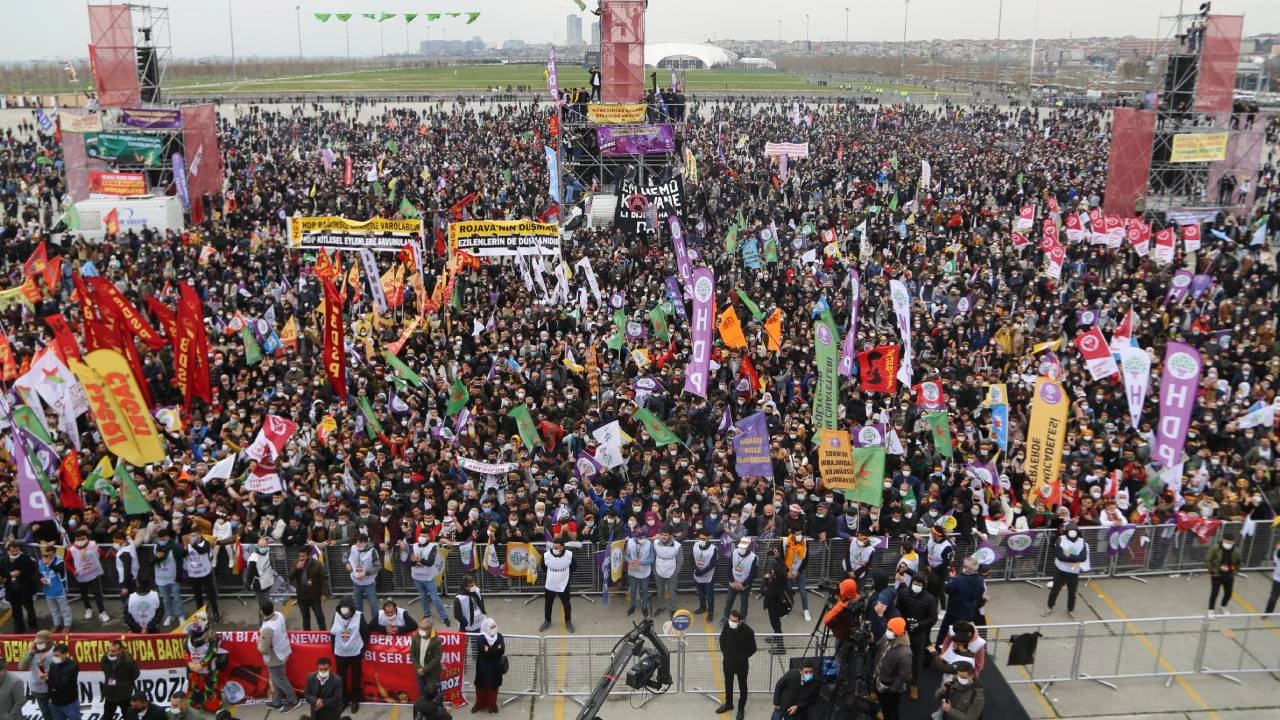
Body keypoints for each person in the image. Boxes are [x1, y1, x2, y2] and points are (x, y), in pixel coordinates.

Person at [895, 572, 938, 698]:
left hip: (919, 633)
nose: (917, 586)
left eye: (920, 584)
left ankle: (914, 685)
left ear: (924, 585)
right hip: (903, 631)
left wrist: (919, 624)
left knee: (917, 659)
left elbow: (933, 618)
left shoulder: (930, 599)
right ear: (911, 583)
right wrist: (902, 621)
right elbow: (897, 609)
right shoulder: (903, 593)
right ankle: (899, 679)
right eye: (915, 583)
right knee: (900, 655)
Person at [258, 601, 301, 711]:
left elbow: (264, 650)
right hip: (283, 650)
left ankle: (294, 701)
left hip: (275, 657)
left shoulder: (268, 628)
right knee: (276, 679)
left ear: (262, 612)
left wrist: (258, 643)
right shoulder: (279, 615)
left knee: (280, 680)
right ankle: (276, 701)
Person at [1042, 523, 1089, 619]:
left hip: (1074, 572)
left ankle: (1070, 610)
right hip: (1061, 571)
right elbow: (1060, 556)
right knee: (1055, 590)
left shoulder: (1082, 542)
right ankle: (1049, 607)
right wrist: (1075, 558)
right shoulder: (1061, 539)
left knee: (1072, 593)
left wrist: (1069, 555)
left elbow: (1083, 558)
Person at [715, 608, 756, 720]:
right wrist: (725, 653)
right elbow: (722, 639)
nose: (731, 622)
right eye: (730, 619)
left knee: (743, 686)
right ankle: (729, 704)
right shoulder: (727, 626)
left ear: (739, 621)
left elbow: (753, 649)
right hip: (728, 663)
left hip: (741, 665)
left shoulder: (748, 631)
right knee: (728, 683)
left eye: (734, 621)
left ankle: (741, 708)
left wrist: (741, 657)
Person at [401, 532, 449, 627]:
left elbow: (430, 562)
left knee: (435, 598)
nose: (422, 537)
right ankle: (427, 614)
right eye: (421, 535)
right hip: (417, 577)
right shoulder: (413, 546)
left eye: (424, 536)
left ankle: (444, 617)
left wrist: (418, 560)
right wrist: (414, 561)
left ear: (428, 538)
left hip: (428, 578)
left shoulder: (432, 547)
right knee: (422, 596)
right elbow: (409, 562)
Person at [329, 598, 366, 713]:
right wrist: (334, 648)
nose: (344, 612)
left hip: (355, 653)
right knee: (341, 679)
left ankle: (355, 701)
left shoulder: (359, 616)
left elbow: (365, 633)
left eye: (347, 609)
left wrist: (363, 649)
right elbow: (332, 633)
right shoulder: (336, 616)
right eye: (342, 609)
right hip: (340, 653)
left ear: (352, 609)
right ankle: (344, 700)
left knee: (355, 678)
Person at [66, 530, 111, 623]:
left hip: (93, 573)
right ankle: (88, 608)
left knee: (97, 593)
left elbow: (101, 552)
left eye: (82, 539)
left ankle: (102, 612)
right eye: (77, 539)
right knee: (84, 593)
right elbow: (67, 561)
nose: (80, 541)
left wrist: (110, 555)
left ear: (87, 538)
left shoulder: (92, 545)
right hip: (81, 575)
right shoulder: (72, 549)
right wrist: (73, 571)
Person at [937, 557, 984, 645]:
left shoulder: (959, 580)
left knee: (944, 633)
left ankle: (940, 648)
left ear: (969, 569)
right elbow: (980, 594)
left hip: (953, 613)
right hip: (968, 614)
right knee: (962, 635)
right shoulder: (980, 580)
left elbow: (948, 589)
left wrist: (951, 578)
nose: (962, 567)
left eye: (964, 566)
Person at [872, 617, 912, 720]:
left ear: (898, 634)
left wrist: (893, 689)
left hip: (889, 688)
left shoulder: (905, 653)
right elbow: (877, 646)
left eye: (890, 630)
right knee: (882, 703)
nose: (887, 631)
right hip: (878, 678)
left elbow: (904, 675)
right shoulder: (886, 637)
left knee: (891, 711)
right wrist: (872, 641)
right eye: (888, 628)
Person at [540, 534, 576, 632]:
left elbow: (574, 567)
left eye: (557, 548)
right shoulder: (546, 555)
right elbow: (543, 568)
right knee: (548, 603)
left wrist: (564, 575)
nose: (555, 549)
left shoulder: (569, 555)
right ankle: (547, 621)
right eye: (554, 547)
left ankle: (568, 621)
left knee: (566, 604)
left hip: (564, 584)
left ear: (562, 547)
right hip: (550, 584)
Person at [1, 541, 39, 633]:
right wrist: (3, 578)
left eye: (17, 551)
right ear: (8, 551)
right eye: (13, 551)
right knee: (16, 610)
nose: (15, 553)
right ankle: (19, 627)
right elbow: (2, 573)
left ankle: (33, 626)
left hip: (25, 589)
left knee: (29, 608)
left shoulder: (25, 558)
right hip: (12, 589)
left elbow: (32, 571)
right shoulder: (3, 561)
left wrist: (20, 573)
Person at [182, 533, 220, 622]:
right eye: (191, 535)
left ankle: (215, 612)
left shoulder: (205, 543)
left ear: (199, 535)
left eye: (195, 535)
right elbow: (183, 555)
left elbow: (202, 551)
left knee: (211, 595)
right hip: (193, 574)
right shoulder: (189, 544)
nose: (193, 537)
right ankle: (200, 614)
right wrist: (185, 547)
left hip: (205, 573)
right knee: (197, 595)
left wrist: (192, 544)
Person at [100, 639, 140, 720]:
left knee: (129, 716)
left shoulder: (129, 661)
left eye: (113, 651)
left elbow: (135, 674)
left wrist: (123, 682)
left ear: (121, 650)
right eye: (109, 650)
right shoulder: (105, 659)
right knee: (107, 716)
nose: (110, 653)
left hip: (124, 695)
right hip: (110, 694)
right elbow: (105, 670)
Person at [760, 556, 792, 653]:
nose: (771, 572)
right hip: (774, 605)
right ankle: (776, 638)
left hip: (775, 607)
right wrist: (777, 557)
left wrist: (765, 580)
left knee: (776, 625)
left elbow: (764, 592)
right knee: (775, 624)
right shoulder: (782, 577)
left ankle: (780, 647)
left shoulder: (776, 584)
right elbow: (781, 564)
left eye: (773, 572)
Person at [472, 618, 505, 714]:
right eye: (491, 627)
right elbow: (483, 652)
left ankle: (493, 705)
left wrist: (489, 650)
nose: (494, 629)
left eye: (494, 626)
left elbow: (502, 651)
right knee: (480, 686)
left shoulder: (499, 636)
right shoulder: (481, 638)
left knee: (494, 686)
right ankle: (479, 704)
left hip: (495, 667)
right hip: (483, 667)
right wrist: (496, 649)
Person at [38, 544, 74, 633]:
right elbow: (39, 573)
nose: (47, 556)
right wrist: (41, 579)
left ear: (54, 553)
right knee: (53, 609)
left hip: (59, 589)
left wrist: (49, 563)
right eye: (46, 554)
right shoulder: (41, 562)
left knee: (64, 609)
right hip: (48, 590)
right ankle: (56, 624)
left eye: (49, 554)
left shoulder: (59, 561)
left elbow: (59, 570)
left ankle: (67, 624)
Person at [152, 528, 184, 626]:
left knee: (177, 597)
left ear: (168, 537)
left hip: (173, 577)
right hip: (161, 578)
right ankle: (169, 615)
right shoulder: (156, 547)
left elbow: (180, 560)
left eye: (163, 539)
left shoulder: (175, 547)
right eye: (160, 539)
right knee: (166, 599)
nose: (161, 541)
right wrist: (157, 558)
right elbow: (151, 562)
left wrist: (179, 576)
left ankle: (180, 615)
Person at [20, 631, 55, 720]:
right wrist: (31, 654)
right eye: (37, 643)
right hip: (38, 690)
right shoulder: (32, 652)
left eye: (41, 643)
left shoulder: (55, 651)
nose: (38, 645)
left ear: (48, 642)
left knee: (56, 713)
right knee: (46, 713)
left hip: (52, 690)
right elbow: (21, 667)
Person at [291, 551, 329, 631]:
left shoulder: (317, 564)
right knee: (305, 617)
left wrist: (324, 594)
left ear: (308, 556)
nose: (301, 558)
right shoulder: (296, 563)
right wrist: (296, 569)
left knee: (319, 616)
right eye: (300, 556)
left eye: (303, 556)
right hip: (301, 597)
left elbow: (323, 580)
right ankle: (307, 634)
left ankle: (323, 633)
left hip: (314, 596)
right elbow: (290, 577)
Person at [723, 538, 758, 623]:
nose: (741, 549)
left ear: (748, 547)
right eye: (740, 547)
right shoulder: (734, 552)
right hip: (733, 583)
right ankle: (725, 617)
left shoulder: (753, 558)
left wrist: (743, 584)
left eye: (743, 548)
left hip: (745, 585)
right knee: (729, 600)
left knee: (744, 602)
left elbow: (753, 574)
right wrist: (732, 581)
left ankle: (742, 619)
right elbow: (729, 567)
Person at [346, 534, 381, 619]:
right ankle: (359, 623)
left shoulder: (372, 551)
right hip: (356, 582)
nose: (358, 544)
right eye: (357, 542)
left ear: (366, 542)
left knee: (373, 605)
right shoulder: (353, 548)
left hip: (369, 583)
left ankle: (375, 623)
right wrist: (347, 564)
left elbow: (378, 566)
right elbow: (345, 556)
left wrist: (365, 573)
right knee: (357, 606)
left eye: (360, 542)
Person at [781, 525, 811, 622]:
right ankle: (787, 609)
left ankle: (806, 610)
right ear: (792, 534)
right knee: (787, 591)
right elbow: (782, 558)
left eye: (800, 534)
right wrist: (787, 571)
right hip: (788, 571)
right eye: (797, 534)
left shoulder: (805, 543)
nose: (799, 536)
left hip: (799, 570)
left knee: (803, 591)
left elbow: (806, 559)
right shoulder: (785, 542)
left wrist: (798, 572)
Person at [1206, 533, 1239, 617]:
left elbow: (1239, 562)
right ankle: (1211, 609)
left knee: (1228, 592)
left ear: (1233, 542)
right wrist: (1212, 570)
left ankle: (1224, 606)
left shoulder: (1236, 551)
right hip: (1217, 574)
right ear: (1223, 540)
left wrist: (1234, 572)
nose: (1228, 544)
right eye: (1227, 542)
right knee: (1214, 592)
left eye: (1230, 543)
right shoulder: (1215, 548)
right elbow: (1208, 560)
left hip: (1229, 575)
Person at [652, 526, 682, 617]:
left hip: (671, 573)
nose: (663, 537)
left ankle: (672, 609)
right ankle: (661, 607)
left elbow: (680, 561)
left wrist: (675, 574)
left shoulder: (677, 546)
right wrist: (655, 571)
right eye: (662, 534)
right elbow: (653, 557)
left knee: (672, 592)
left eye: (665, 535)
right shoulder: (655, 543)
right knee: (660, 591)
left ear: (670, 535)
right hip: (658, 572)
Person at [411, 618, 444, 700]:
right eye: (420, 627)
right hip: (419, 671)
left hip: (432, 673)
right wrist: (418, 668)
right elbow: (412, 654)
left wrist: (424, 669)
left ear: (430, 629)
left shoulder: (436, 640)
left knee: (434, 695)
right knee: (422, 694)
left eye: (424, 628)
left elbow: (437, 657)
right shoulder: (416, 637)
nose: (421, 630)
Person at [624, 531, 654, 617]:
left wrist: (640, 562)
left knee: (644, 590)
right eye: (640, 538)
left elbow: (652, 559)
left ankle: (644, 606)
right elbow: (625, 556)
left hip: (644, 571)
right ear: (636, 537)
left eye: (644, 538)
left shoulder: (649, 544)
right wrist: (630, 561)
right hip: (633, 570)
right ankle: (633, 606)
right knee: (633, 589)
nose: (643, 540)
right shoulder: (630, 543)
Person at [45, 644, 79, 720]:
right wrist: (50, 697)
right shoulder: (53, 664)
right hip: (54, 703)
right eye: (54, 655)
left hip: (69, 703)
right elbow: (50, 684)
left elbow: (63, 686)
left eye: (57, 655)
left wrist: (46, 679)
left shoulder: (72, 667)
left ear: (65, 654)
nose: (55, 658)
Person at [691, 527, 718, 618]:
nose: (701, 540)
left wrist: (702, 572)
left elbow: (712, 564)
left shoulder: (713, 549)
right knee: (700, 593)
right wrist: (696, 569)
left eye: (703, 539)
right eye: (700, 538)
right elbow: (691, 558)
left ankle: (710, 612)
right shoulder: (695, 545)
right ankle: (702, 608)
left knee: (709, 595)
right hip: (697, 574)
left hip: (708, 576)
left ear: (708, 538)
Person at [245, 537, 278, 607]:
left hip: (268, 582)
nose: (263, 548)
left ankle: (266, 612)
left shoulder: (268, 554)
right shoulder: (254, 557)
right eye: (261, 546)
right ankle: (263, 612)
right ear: (258, 546)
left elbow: (271, 567)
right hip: (258, 584)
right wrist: (248, 584)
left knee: (266, 602)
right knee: (262, 604)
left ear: (267, 545)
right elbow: (250, 572)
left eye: (264, 546)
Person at [113, 531, 140, 612]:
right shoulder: (130, 543)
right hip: (133, 576)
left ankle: (129, 614)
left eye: (116, 541)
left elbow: (127, 570)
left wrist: (125, 586)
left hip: (126, 579)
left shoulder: (125, 553)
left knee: (128, 601)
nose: (114, 543)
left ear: (122, 540)